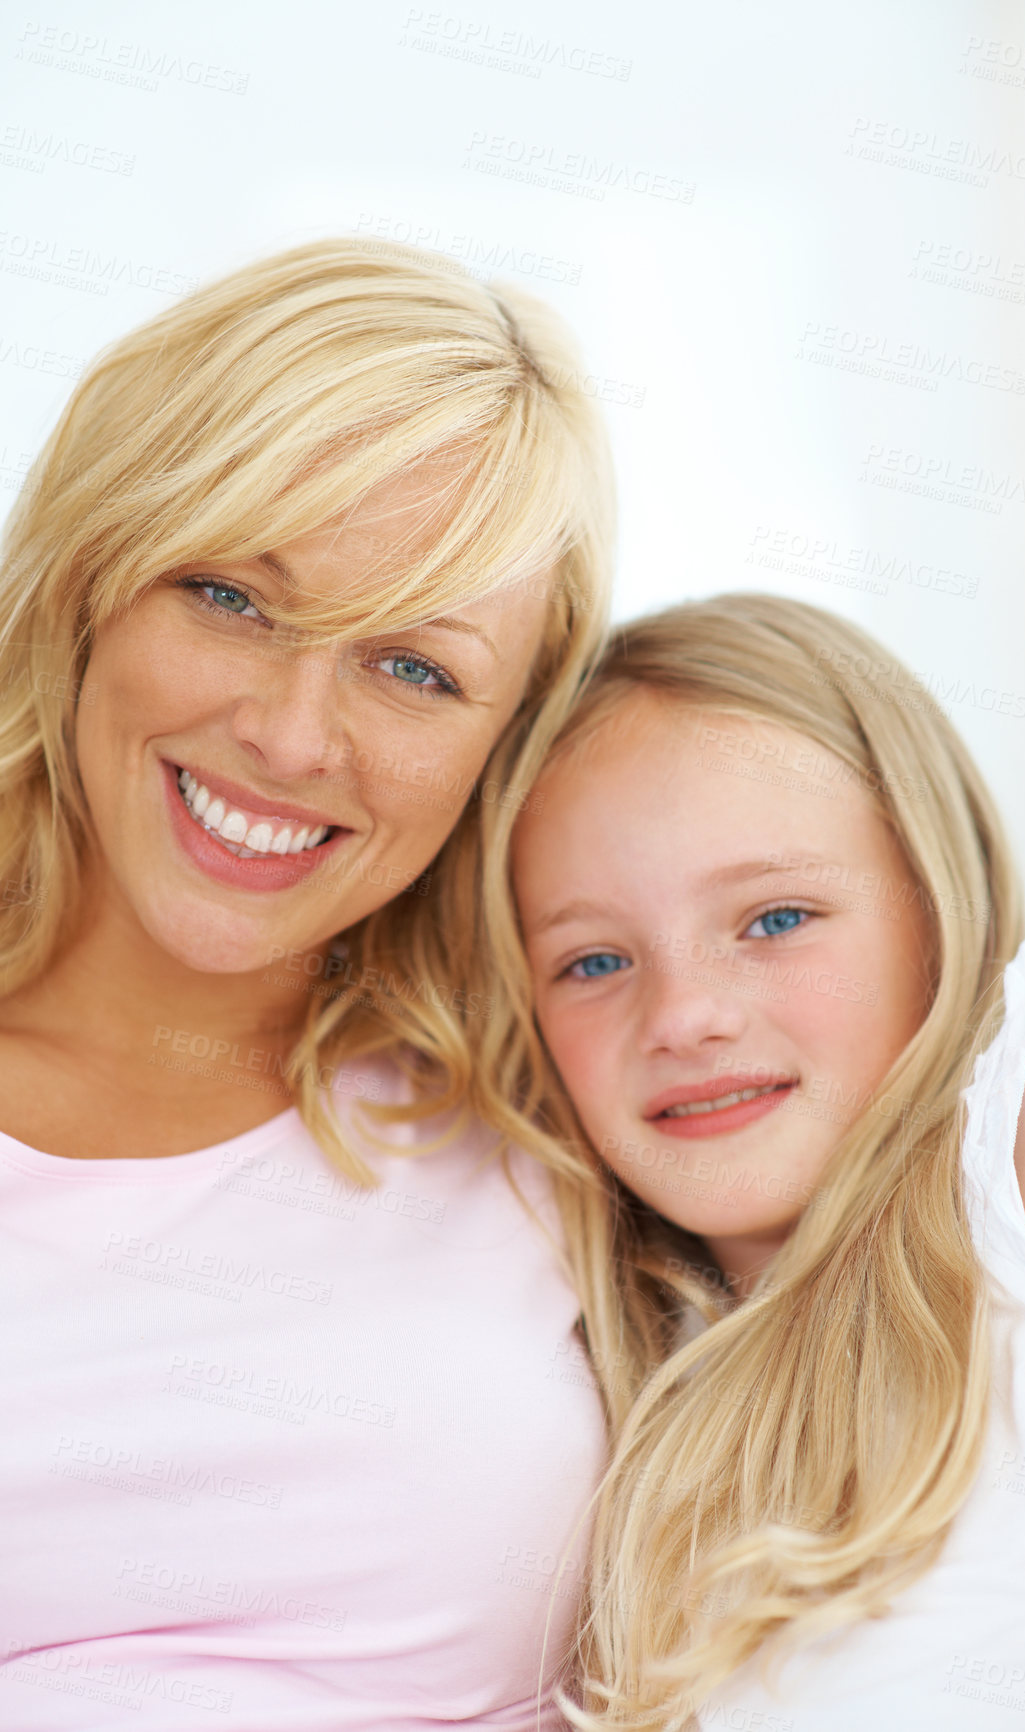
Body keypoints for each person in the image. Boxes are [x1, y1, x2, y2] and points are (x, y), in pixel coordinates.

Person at [0, 238, 615, 1730]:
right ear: (90, 581)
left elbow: (956, 1028)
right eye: (229, 595)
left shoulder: (572, 1081)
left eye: (413, 669)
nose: (287, 735)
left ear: (505, 740)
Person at [508, 594, 1025, 1730]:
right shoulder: (616, 1369)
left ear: (933, 912)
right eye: (595, 957)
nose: (686, 1014)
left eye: (774, 919)